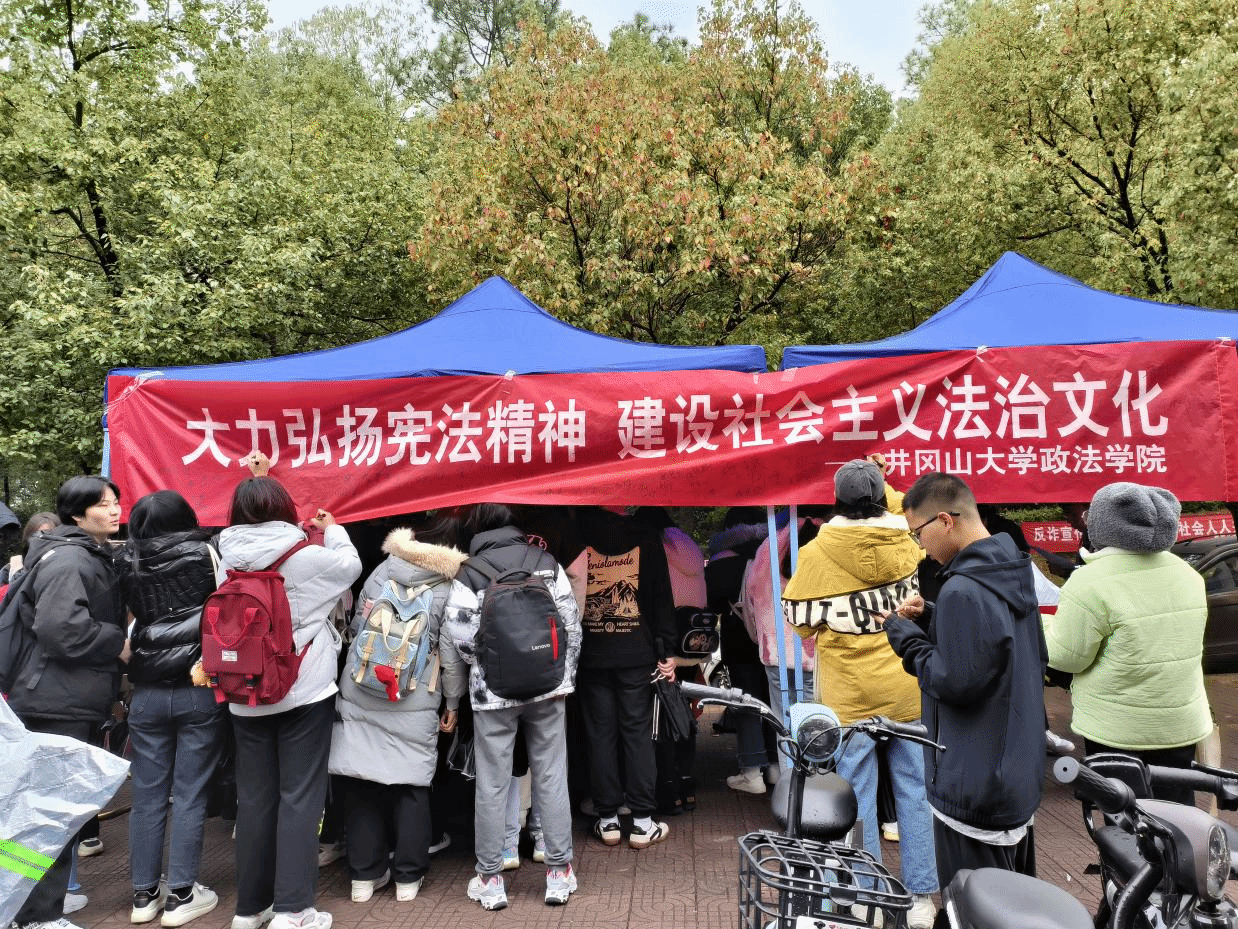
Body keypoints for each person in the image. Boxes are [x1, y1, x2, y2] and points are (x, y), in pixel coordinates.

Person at [881, 472, 1047, 919]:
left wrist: (904, 636)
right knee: (1013, 908)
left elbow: (953, 681)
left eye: (918, 533)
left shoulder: (962, 588)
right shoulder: (1011, 569)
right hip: (1013, 772)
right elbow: (1002, 645)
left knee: (973, 910)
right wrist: (933, 616)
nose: (920, 547)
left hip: (974, 784)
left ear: (944, 520)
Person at [782, 459, 937, 929]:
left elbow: (799, 621)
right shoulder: (907, 539)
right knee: (917, 792)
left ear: (836, 500)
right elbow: (905, 505)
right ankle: (922, 898)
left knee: (856, 796)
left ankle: (866, 895)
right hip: (907, 684)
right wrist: (882, 480)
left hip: (848, 694)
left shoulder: (817, 551)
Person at [219, 455, 361, 929]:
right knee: (300, 796)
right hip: (304, 691)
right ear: (285, 508)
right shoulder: (306, 557)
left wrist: (258, 479)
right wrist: (334, 529)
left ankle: (249, 909)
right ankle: (293, 909)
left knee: (254, 801)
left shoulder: (225, 557)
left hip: (244, 693)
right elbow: (351, 566)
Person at [446, 503, 582, 910]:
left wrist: (490, 668)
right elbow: (570, 623)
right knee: (551, 775)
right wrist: (561, 675)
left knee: (492, 783)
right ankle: (558, 873)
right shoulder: (545, 562)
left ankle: (490, 879)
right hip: (548, 688)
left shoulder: (470, 572)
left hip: (493, 694)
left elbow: (460, 636)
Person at [1043, 482, 1212, 803]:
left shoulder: (1089, 581)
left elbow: (1067, 657)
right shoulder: (1188, 575)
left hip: (1118, 729)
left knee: (1125, 818)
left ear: (1102, 525)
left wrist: (1045, 625)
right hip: (1181, 723)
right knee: (1177, 814)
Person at [7, 476, 125, 929]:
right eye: (103, 504)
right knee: (49, 813)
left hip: (60, 697)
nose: (114, 510)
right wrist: (117, 642)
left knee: (46, 811)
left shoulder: (76, 553)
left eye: (115, 502)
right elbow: (62, 630)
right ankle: (39, 916)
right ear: (77, 514)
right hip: (56, 701)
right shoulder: (71, 558)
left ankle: (32, 909)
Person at [329, 522, 467, 904]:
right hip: (414, 699)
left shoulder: (382, 570)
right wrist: (453, 703)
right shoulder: (448, 585)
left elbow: (357, 626)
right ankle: (407, 878)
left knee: (360, 780)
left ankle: (363, 878)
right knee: (411, 785)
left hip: (361, 687)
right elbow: (450, 655)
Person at [117, 491, 228, 925]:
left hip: (145, 690)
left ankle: (144, 895)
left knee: (147, 794)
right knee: (189, 793)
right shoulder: (206, 552)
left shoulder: (126, 559)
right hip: (196, 684)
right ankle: (182, 894)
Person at [575, 506, 676, 849]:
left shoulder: (580, 535)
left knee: (599, 735)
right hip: (637, 652)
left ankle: (608, 821)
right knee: (637, 733)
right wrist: (667, 649)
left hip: (592, 653)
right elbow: (661, 596)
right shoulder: (646, 536)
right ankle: (643, 822)